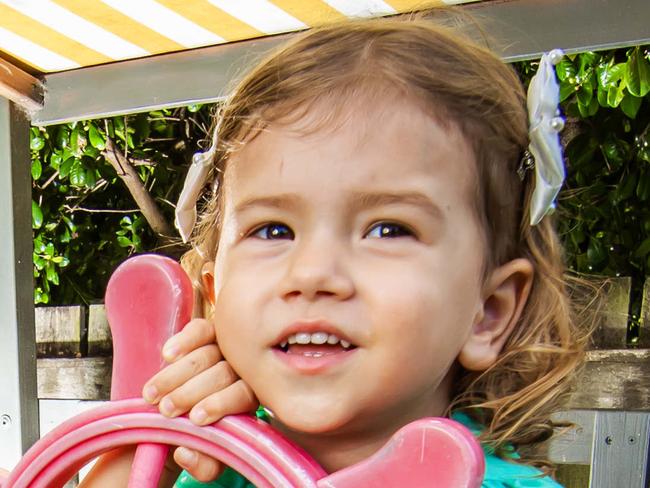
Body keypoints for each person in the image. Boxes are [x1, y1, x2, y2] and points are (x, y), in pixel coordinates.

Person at [83, 15, 588, 488]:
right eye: (273, 230)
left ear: (489, 313)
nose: (312, 273)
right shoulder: (205, 472)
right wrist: (141, 447)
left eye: (388, 230)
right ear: (216, 301)